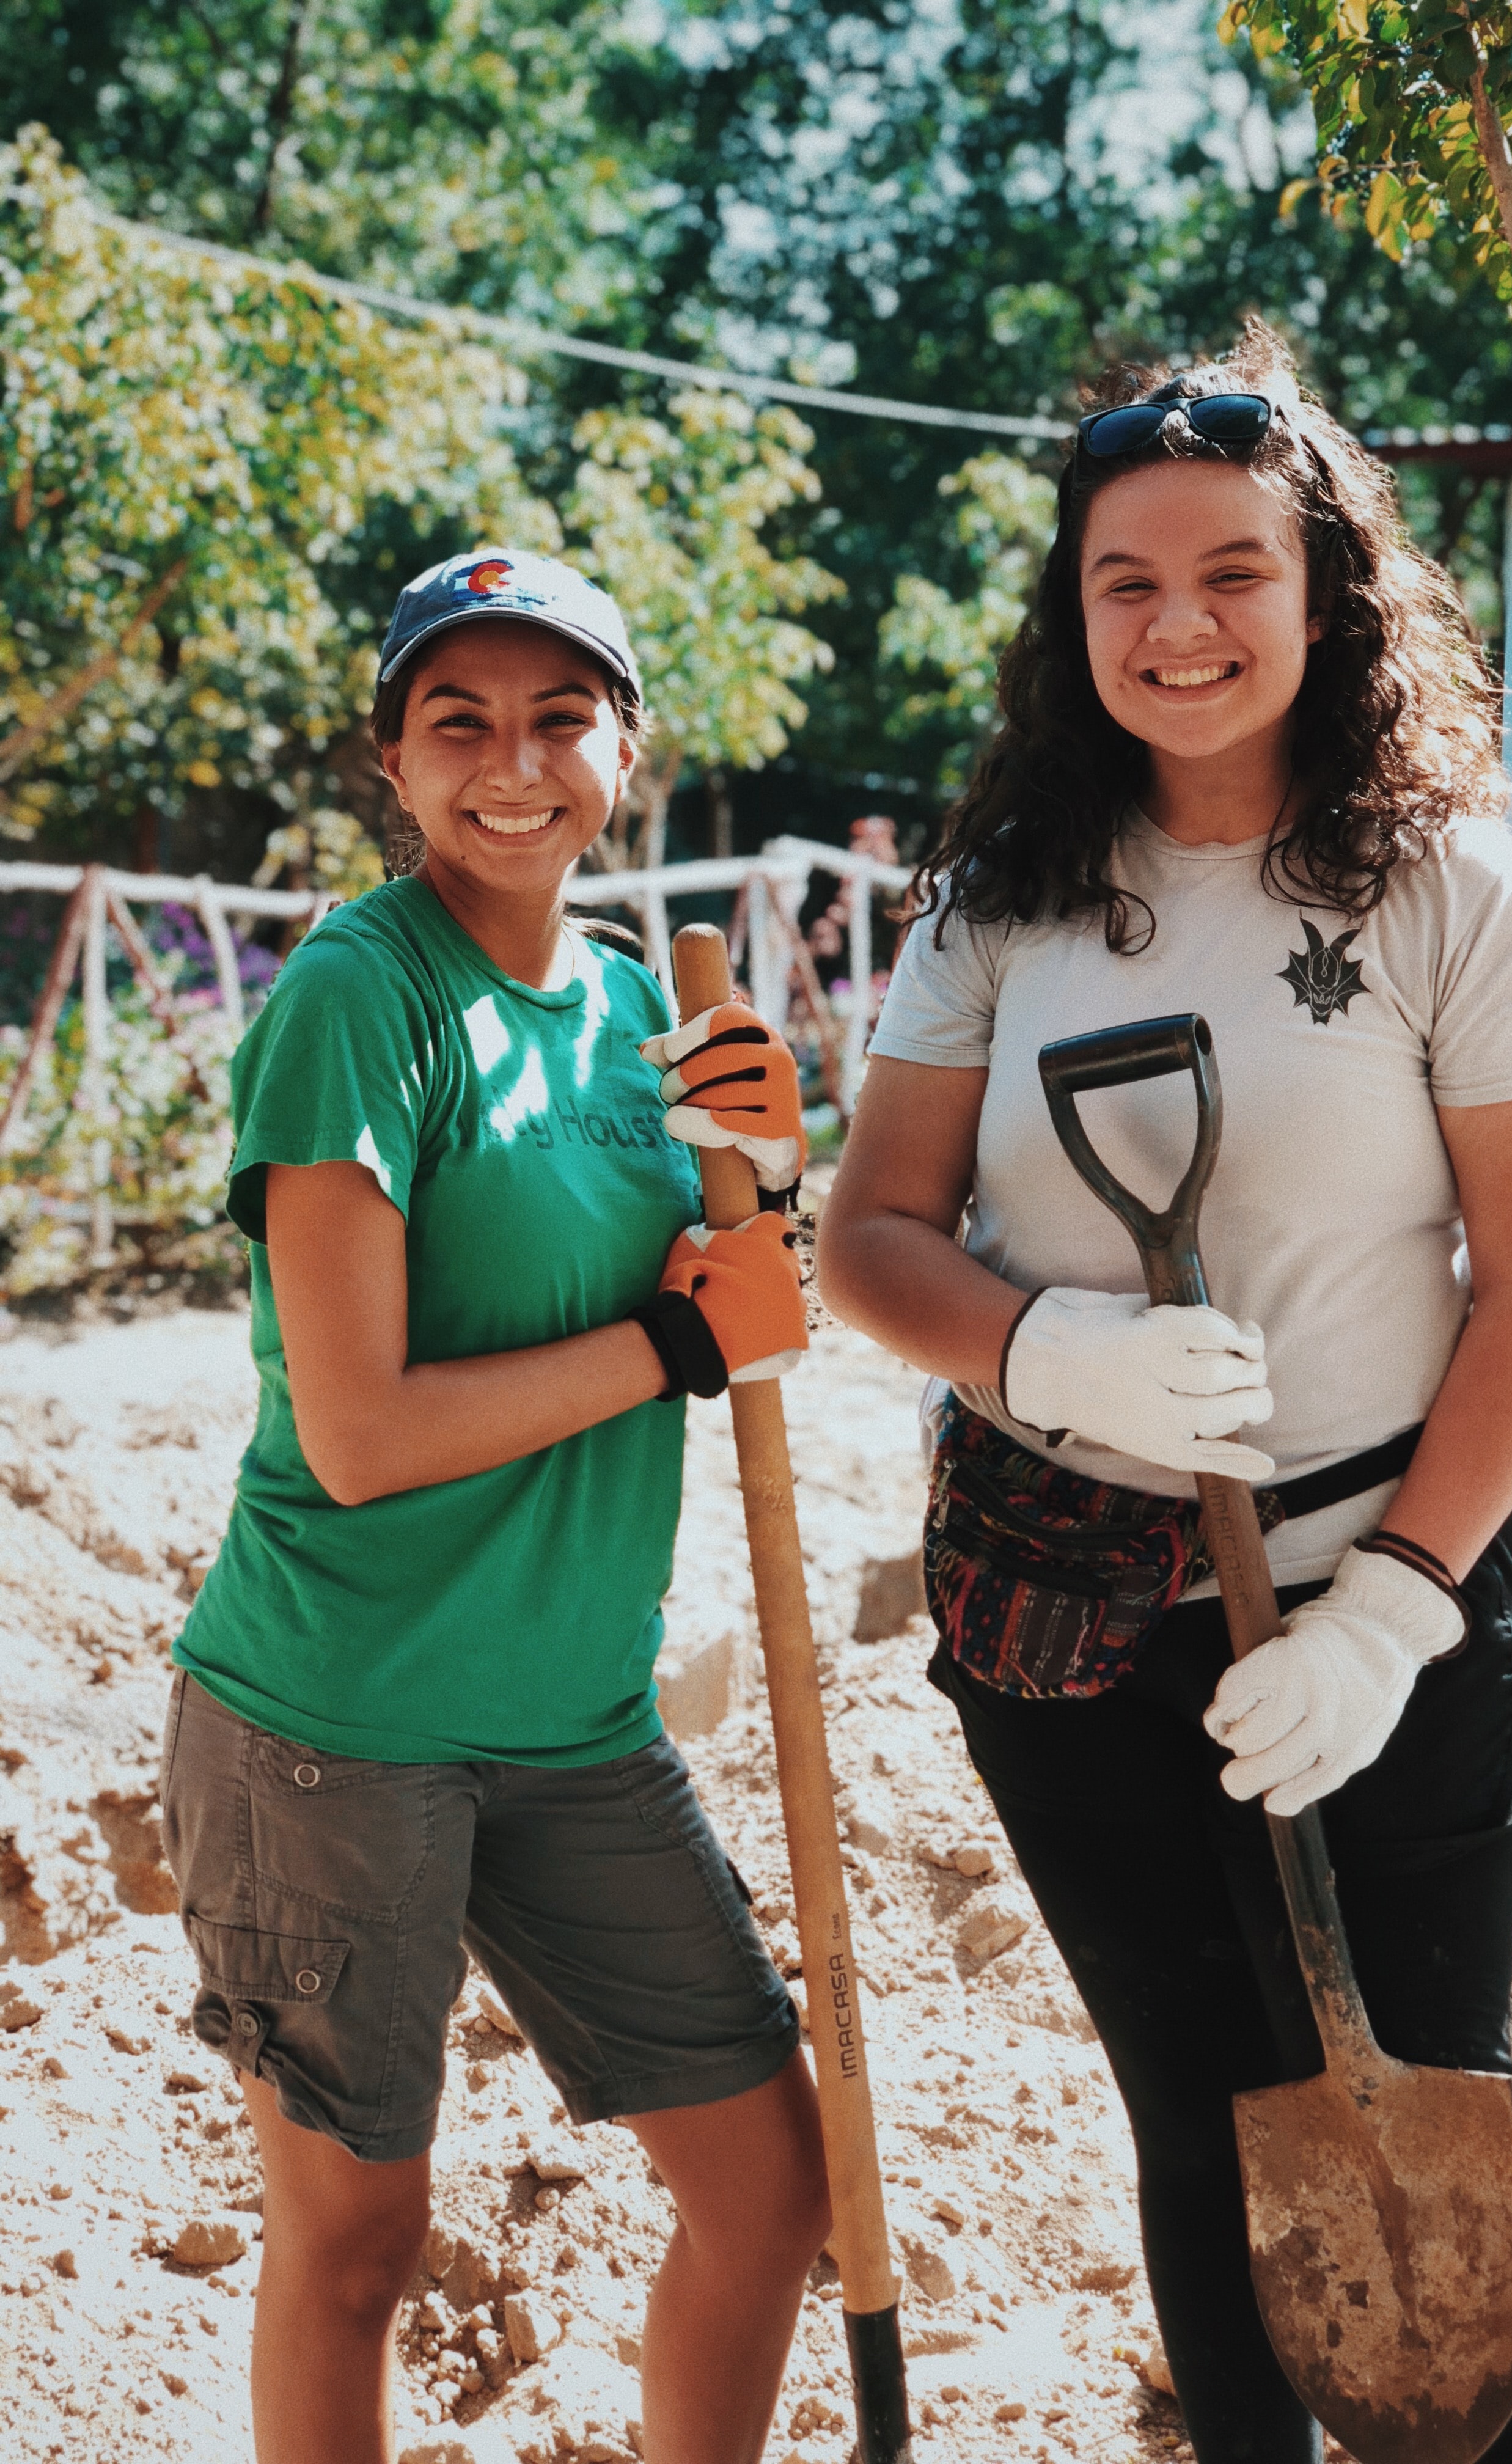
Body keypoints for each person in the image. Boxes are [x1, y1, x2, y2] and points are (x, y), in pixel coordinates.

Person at [816, 330, 1512, 2463]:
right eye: (1126, 583)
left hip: (1385, 1597)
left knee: (1435, 2122)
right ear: (1071, 615)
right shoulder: (1004, 908)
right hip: (1067, 1614)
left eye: (1232, 574)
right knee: (1194, 2121)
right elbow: (866, 1232)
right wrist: (1038, 1344)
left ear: (1329, 589)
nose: (1177, 627)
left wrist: (1400, 1610)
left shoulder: (1448, 882)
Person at [161, 548, 828, 2464]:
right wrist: (679, 1352)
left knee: (771, 2188)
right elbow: (358, 1430)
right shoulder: (359, 1002)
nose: (512, 761)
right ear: (394, 760)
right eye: (459, 722)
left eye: (560, 718)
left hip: (576, 1726)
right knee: (359, 2241)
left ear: (630, 747)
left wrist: (762, 1174)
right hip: (332, 1727)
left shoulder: (646, 1018)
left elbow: (746, 1309)